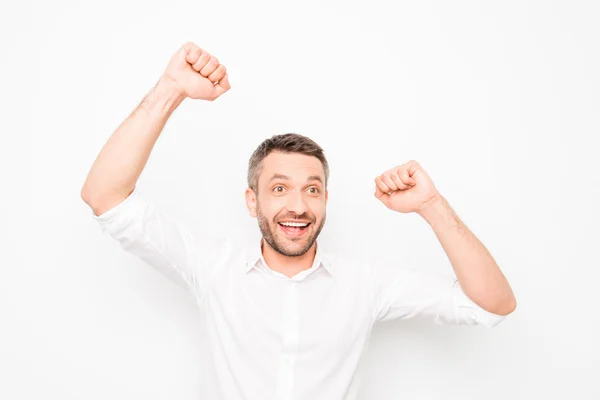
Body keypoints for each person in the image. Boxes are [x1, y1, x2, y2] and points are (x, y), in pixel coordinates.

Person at [81, 42, 516, 400]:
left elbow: (492, 305)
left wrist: (432, 205)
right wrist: (170, 89)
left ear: (326, 200)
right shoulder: (214, 268)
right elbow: (105, 197)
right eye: (278, 188)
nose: (298, 206)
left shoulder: (365, 284)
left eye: (311, 190)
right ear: (252, 201)